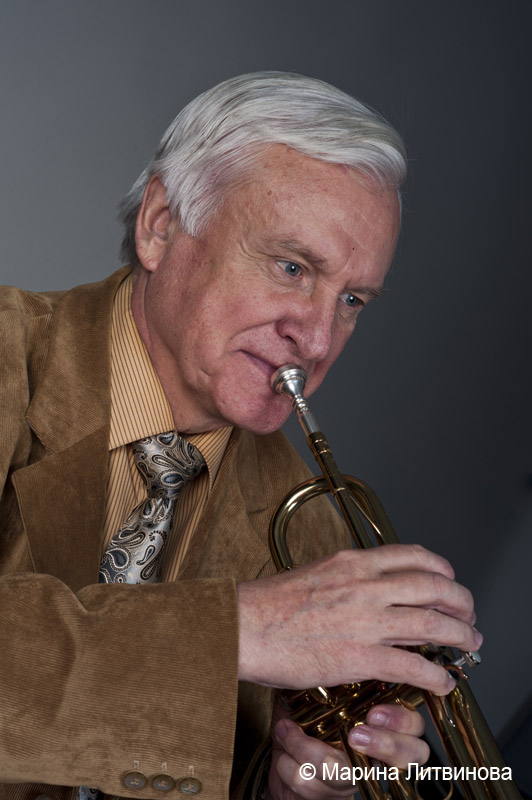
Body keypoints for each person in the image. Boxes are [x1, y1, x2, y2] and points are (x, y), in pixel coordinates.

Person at [0, 72, 480, 800]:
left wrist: (288, 788)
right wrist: (236, 632)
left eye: (352, 300)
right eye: (292, 267)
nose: (317, 340)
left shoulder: (313, 530)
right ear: (161, 225)